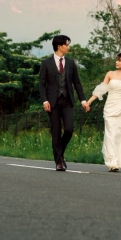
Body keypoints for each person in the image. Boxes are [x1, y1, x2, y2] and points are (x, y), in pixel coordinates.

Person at [85, 51, 121, 171]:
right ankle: (112, 162)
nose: (117, 62)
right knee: (110, 134)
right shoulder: (110, 74)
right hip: (110, 107)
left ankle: (117, 160)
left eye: (120, 60)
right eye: (117, 59)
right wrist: (89, 102)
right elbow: (100, 90)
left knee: (119, 135)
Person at [39, 35, 89, 171]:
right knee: (55, 131)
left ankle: (59, 152)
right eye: (67, 44)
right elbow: (42, 85)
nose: (69, 47)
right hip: (52, 103)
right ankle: (59, 161)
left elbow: (77, 83)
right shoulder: (46, 63)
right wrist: (45, 101)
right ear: (59, 46)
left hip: (67, 101)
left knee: (69, 129)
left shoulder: (71, 63)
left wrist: (83, 100)